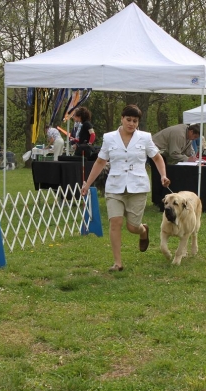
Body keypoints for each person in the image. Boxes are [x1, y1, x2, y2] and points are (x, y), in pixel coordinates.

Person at [80, 104, 170, 272]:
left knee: (132, 227)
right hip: (114, 186)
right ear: (121, 119)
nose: (131, 124)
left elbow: (157, 158)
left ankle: (143, 231)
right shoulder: (109, 138)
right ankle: (118, 263)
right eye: (128, 120)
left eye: (135, 121)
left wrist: (163, 175)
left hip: (138, 186)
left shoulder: (144, 137)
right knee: (115, 222)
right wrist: (88, 183)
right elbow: (100, 162)